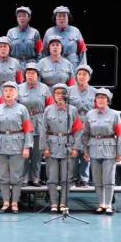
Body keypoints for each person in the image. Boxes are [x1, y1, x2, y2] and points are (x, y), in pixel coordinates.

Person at [0, 81, 33, 213]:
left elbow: (28, 129)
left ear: (16, 93)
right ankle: (5, 202)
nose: (8, 93)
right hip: (1, 144)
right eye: (6, 90)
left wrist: (27, 146)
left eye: (11, 90)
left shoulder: (22, 109)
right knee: (2, 175)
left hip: (17, 144)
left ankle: (14, 202)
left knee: (16, 175)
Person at [41, 83, 84, 214]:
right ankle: (54, 203)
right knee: (52, 177)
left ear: (67, 95)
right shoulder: (48, 110)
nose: (60, 95)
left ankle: (63, 203)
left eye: (62, 93)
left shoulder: (72, 110)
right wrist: (44, 148)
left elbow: (78, 130)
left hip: (67, 144)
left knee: (66, 178)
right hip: (52, 145)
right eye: (57, 93)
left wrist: (76, 147)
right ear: (54, 95)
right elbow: (43, 130)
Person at [82, 88, 121, 215]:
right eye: (98, 97)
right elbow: (85, 134)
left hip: (109, 149)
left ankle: (108, 205)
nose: (100, 100)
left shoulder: (114, 114)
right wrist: (85, 151)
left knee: (109, 179)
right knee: (97, 179)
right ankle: (101, 204)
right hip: (94, 148)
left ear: (108, 100)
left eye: (103, 98)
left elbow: (120, 134)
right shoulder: (90, 114)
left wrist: (120, 152)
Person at [18, 62, 52, 186]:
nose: (30, 75)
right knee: (24, 153)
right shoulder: (19, 88)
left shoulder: (45, 88)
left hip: (39, 122)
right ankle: (24, 178)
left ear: (37, 75)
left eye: (33, 73)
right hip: (24, 122)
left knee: (37, 154)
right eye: (28, 73)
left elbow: (50, 107)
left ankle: (35, 178)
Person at [69, 63, 96, 186]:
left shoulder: (95, 92)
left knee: (86, 151)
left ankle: (84, 178)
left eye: (84, 74)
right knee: (73, 151)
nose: (81, 76)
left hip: (88, 124)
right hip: (73, 123)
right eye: (79, 74)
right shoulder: (69, 90)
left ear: (89, 77)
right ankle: (73, 177)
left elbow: (97, 108)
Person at [43, 5, 88, 70]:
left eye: (64, 16)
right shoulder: (49, 32)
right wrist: (45, 67)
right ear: (55, 18)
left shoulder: (76, 31)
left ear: (68, 18)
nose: (62, 18)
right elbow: (44, 52)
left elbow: (82, 50)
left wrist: (83, 68)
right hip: (54, 66)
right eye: (59, 16)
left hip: (73, 66)